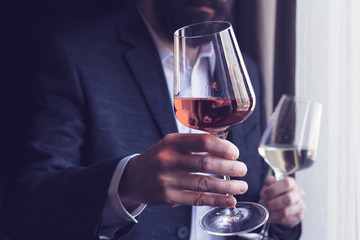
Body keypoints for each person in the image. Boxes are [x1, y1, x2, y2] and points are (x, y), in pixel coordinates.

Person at [2, 0, 305, 239]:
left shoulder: (244, 71)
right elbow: (25, 209)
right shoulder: (74, 52)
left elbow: (254, 208)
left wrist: (281, 218)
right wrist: (127, 184)